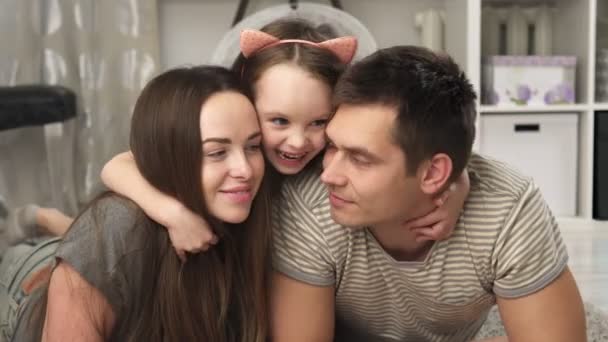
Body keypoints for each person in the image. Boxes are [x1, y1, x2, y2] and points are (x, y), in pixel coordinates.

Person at [269, 45, 587, 342]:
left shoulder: (507, 210)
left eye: (359, 159)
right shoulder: (310, 202)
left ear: (434, 174)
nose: (329, 175)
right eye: (332, 146)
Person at [101, 18, 470, 261]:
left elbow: (431, 152)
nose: (297, 142)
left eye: (318, 123)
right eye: (278, 120)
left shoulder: (336, 160)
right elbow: (117, 165)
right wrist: (173, 213)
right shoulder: (229, 153)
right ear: (247, 105)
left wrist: (456, 188)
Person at [0, 65, 271, 341]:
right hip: (24, 288)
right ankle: (40, 219)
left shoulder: (255, 211)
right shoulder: (116, 227)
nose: (245, 170)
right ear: (170, 157)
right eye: (217, 152)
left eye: (253, 146)